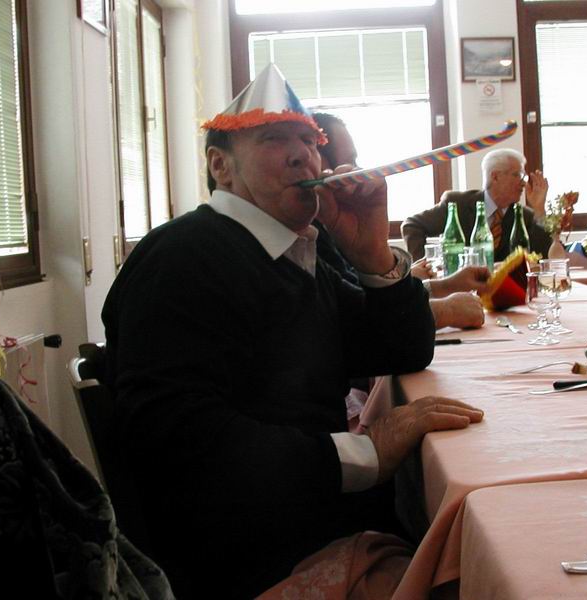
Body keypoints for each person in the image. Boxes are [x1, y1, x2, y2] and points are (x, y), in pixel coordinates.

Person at [101, 64, 483, 599]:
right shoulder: (184, 258)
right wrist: (367, 452)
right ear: (220, 165)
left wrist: (372, 253)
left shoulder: (291, 253)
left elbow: (400, 348)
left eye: (310, 141)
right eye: (275, 139)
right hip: (250, 562)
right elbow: (179, 439)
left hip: (313, 524)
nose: (304, 155)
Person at [313, 112, 488, 330]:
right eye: (349, 162)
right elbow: (358, 324)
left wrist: (444, 285)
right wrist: (446, 310)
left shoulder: (329, 232)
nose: (357, 171)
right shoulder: (308, 240)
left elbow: (371, 297)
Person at [401, 148, 551, 262]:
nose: (523, 183)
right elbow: (412, 225)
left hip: (507, 291)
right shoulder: (458, 205)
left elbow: (541, 257)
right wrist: (424, 267)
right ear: (495, 176)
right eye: (517, 175)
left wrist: (539, 210)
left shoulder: (525, 216)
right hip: (462, 288)